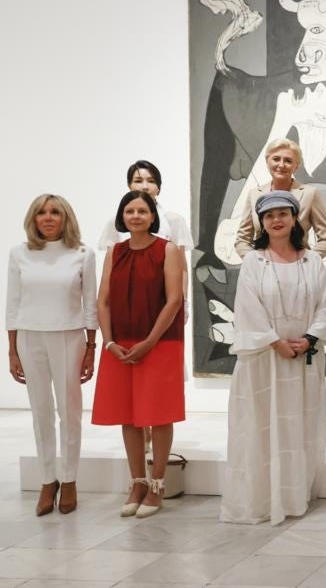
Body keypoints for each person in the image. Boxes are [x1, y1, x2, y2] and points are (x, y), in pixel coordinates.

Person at [221, 191, 326, 525]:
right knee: (262, 426)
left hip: (302, 357)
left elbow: (325, 304)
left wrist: (309, 338)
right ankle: (262, 496)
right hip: (264, 360)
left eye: (283, 213)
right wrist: (275, 342)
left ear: (295, 218)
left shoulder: (311, 260)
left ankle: (293, 494)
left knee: (297, 424)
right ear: (262, 222)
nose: (277, 220)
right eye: (269, 216)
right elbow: (248, 308)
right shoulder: (255, 261)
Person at [93, 191, 185, 518]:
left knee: (158, 415)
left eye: (142, 211)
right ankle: (137, 483)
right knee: (128, 416)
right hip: (120, 344)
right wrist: (108, 341)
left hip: (160, 343)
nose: (135, 216)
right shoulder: (113, 253)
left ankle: (157, 484)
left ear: (152, 216)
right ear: (122, 216)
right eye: (129, 210)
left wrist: (148, 342)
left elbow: (174, 300)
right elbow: (102, 301)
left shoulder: (168, 250)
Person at [7, 195, 97, 515]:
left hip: (69, 337)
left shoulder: (82, 254)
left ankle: (69, 478)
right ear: (33, 218)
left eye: (55, 212)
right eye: (41, 212)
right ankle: (48, 479)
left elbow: (90, 304)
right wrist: (12, 351)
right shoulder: (19, 254)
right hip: (30, 339)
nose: (48, 217)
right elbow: (13, 304)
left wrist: (91, 347)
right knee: (40, 410)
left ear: (65, 218)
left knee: (69, 411)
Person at [235, 138, 326, 260]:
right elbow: (242, 239)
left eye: (288, 161)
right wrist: (255, 262)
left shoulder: (310, 194)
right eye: (276, 159)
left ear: (296, 166)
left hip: (300, 274)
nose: (281, 165)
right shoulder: (254, 194)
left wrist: (306, 261)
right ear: (267, 161)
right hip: (262, 273)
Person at [96, 160, 194, 253]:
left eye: (151, 181)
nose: (145, 187)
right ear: (129, 186)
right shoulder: (115, 222)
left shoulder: (174, 220)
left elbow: (181, 267)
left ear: (158, 188)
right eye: (138, 181)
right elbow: (112, 265)